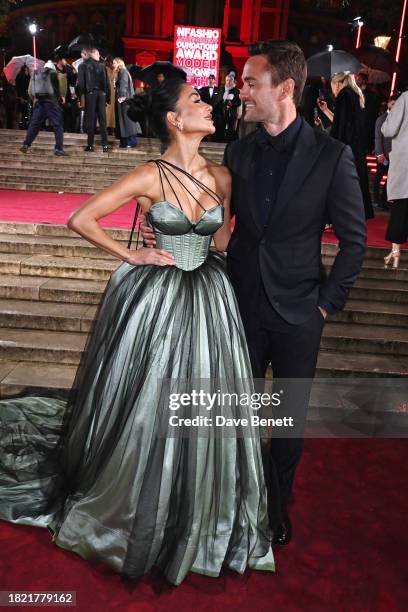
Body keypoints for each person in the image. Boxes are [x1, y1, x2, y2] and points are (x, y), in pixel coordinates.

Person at [0, 77, 274, 585]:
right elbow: (82, 218)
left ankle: (197, 508)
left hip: (210, 298)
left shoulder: (222, 176)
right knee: (148, 400)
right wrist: (134, 253)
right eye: (196, 100)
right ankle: (134, 504)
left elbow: (222, 241)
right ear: (174, 119)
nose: (207, 105)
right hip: (158, 299)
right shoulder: (149, 174)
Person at [142, 40, 367, 546]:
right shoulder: (238, 150)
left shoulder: (332, 156)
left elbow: (355, 242)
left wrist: (325, 306)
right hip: (237, 306)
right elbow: (219, 224)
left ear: (284, 88)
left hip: (299, 314)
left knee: (285, 424)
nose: (240, 90)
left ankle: (276, 505)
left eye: (249, 82)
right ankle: (229, 501)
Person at [317, 71, 374, 219]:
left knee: (339, 184)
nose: (332, 90)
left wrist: (332, 146)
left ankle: (336, 216)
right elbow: (342, 121)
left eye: (332, 86)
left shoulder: (344, 96)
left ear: (337, 83)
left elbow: (340, 127)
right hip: (355, 148)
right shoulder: (355, 95)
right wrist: (326, 110)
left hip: (344, 148)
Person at [381, 90, 408, 269]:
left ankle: (396, 250)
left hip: (405, 159)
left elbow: (388, 130)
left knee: (400, 205)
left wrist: (390, 114)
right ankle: (394, 252)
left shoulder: (405, 98)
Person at [20, 60, 67, 156]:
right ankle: (58, 149)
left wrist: (35, 100)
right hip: (52, 102)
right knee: (57, 125)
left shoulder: (36, 74)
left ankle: (26, 144)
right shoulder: (56, 74)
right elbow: (60, 89)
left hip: (39, 102)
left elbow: (30, 91)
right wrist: (61, 97)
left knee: (34, 124)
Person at [77, 47, 110, 152]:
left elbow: (81, 83)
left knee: (90, 120)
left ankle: (90, 145)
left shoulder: (83, 65)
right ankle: (105, 145)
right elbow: (106, 82)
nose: (99, 55)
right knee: (102, 120)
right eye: (98, 53)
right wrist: (107, 97)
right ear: (94, 53)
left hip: (90, 94)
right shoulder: (102, 65)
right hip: (101, 94)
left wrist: (79, 96)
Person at [373, 95, 399, 210]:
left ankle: (384, 201)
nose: (395, 106)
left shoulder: (398, 118)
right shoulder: (382, 119)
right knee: (378, 178)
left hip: (394, 155)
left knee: (389, 179)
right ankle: (377, 200)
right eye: (393, 104)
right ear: (389, 103)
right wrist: (380, 154)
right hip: (383, 155)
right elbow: (378, 138)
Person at [112, 57, 138, 148]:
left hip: (125, 101)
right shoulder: (122, 72)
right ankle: (125, 141)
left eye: (114, 63)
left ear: (119, 63)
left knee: (126, 121)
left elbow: (123, 84)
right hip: (125, 100)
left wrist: (122, 97)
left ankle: (131, 141)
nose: (113, 65)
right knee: (124, 121)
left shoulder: (122, 71)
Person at [215, 72, 241, 142]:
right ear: (225, 81)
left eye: (230, 80)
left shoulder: (236, 91)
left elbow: (239, 102)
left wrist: (231, 104)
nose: (228, 82)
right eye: (227, 80)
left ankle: (228, 144)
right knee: (220, 129)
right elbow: (217, 100)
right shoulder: (221, 89)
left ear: (233, 81)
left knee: (230, 130)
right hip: (221, 113)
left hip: (231, 113)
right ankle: (219, 142)